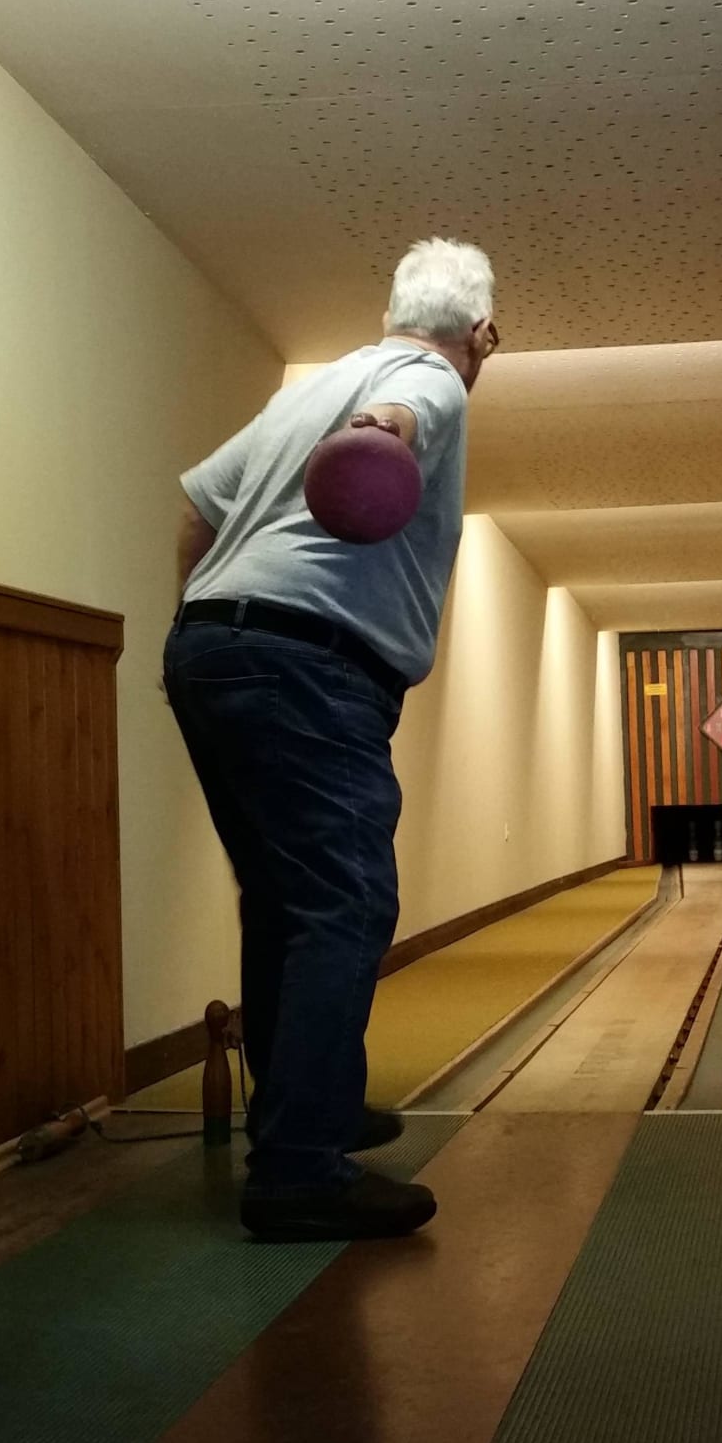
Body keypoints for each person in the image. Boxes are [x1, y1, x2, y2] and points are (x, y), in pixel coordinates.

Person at [167, 238, 499, 1242]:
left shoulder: (306, 389)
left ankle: (306, 1110)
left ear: (390, 310)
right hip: (308, 664)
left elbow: (197, 509)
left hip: (211, 649)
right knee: (345, 901)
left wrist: (203, 624)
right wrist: (379, 437)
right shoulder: (430, 380)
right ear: (484, 334)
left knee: (285, 901)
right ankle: (300, 1170)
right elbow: (399, 417)